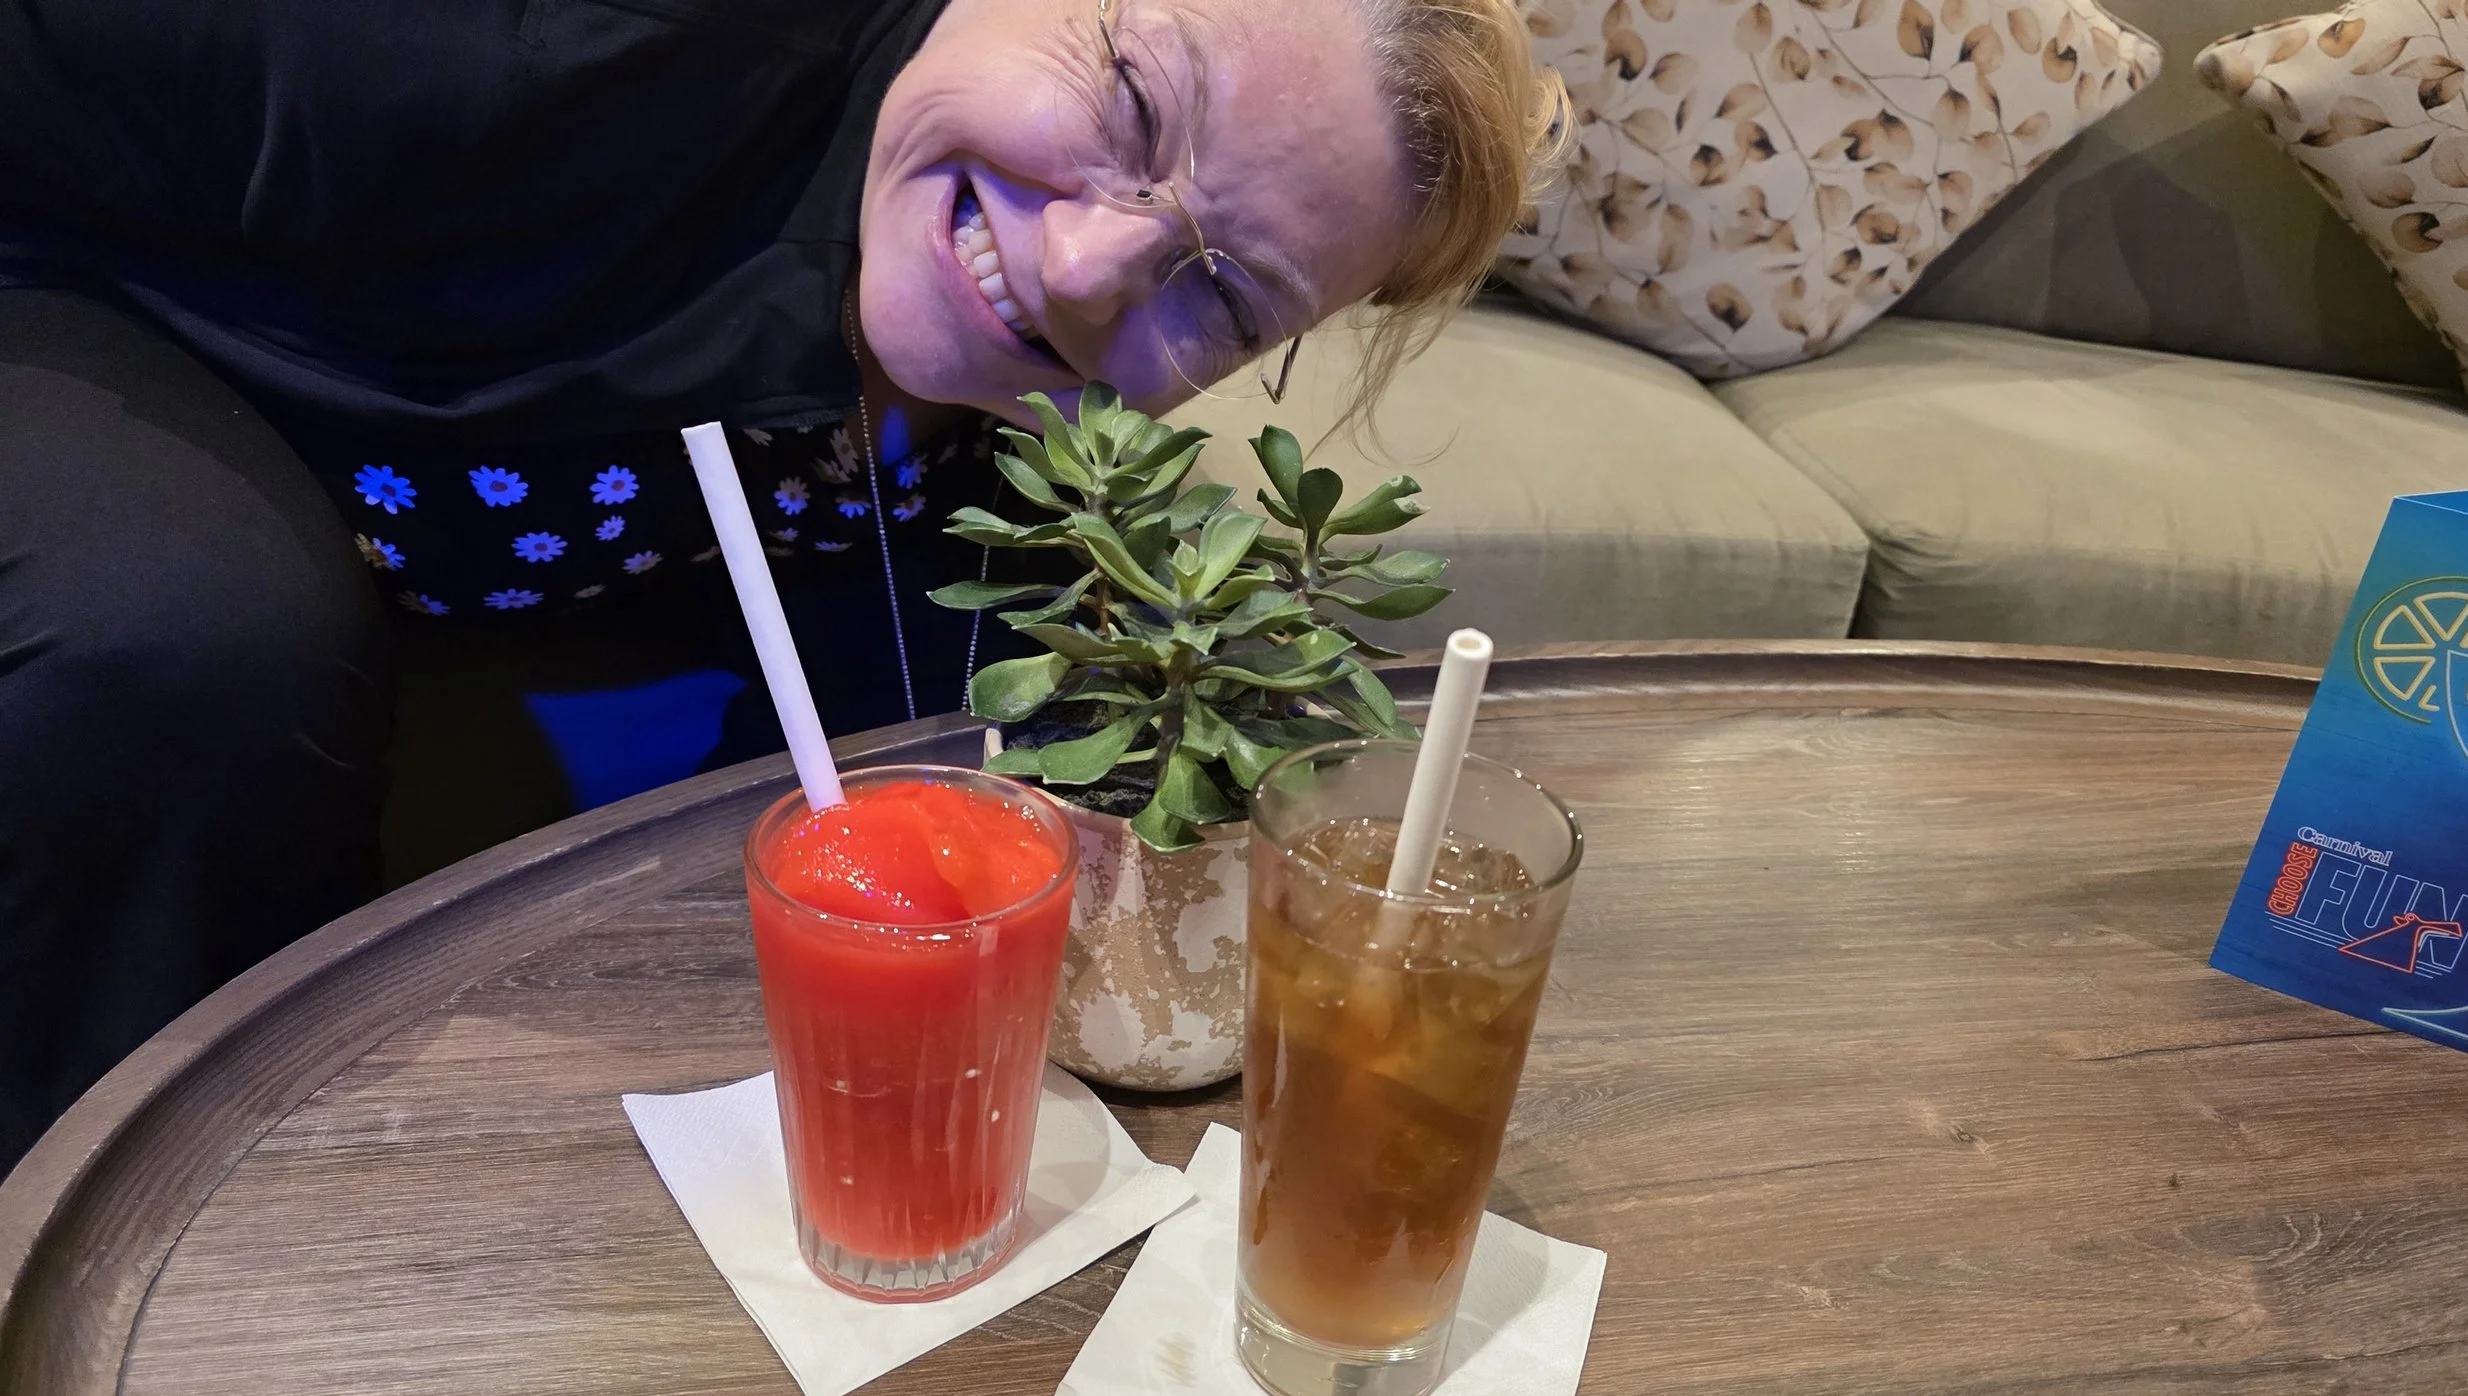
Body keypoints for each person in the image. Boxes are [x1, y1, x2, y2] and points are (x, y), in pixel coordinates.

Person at [0, 0, 1563, 1171]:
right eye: (1138, 95)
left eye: (1222, 291)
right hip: (82, 300)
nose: (1092, 271)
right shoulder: (533, 46)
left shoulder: (1026, 412)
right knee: (187, 645)